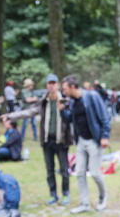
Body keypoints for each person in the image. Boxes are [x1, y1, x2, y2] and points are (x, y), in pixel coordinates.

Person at [5, 73, 73, 205]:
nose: (52, 86)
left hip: (61, 140)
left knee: (64, 170)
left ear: (58, 85)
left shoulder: (65, 101)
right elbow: (28, 112)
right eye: (49, 83)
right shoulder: (43, 102)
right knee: (49, 170)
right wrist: (11, 116)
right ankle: (53, 194)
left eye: (54, 83)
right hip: (47, 140)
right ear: (47, 86)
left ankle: (66, 194)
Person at [63, 74, 112, 213]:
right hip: (81, 141)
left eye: (65, 89)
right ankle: (84, 204)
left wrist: (104, 136)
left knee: (95, 173)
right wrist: (62, 111)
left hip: (94, 141)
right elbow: (69, 119)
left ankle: (103, 197)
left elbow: (105, 117)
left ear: (73, 87)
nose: (64, 91)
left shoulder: (91, 97)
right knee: (79, 173)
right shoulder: (72, 102)